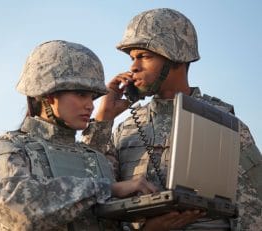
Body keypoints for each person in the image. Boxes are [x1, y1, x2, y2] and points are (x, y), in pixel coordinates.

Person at [83, 8, 262, 230]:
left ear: (176, 57)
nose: (133, 67)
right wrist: (103, 119)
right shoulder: (125, 128)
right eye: (132, 58)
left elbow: (254, 212)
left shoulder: (223, 123)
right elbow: (89, 190)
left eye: (144, 56)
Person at [0, 40, 165, 231]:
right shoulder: (9, 148)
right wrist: (107, 188)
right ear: (48, 95)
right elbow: (19, 211)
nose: (90, 105)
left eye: (92, 97)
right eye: (81, 94)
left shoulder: (95, 158)